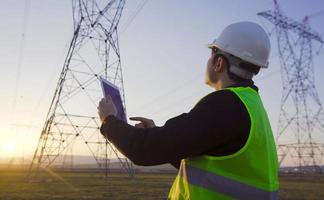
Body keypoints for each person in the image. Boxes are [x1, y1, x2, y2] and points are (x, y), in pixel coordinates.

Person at [98, 21, 279, 200]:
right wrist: (155, 132)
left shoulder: (225, 105)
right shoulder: (250, 105)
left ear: (219, 63)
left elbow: (143, 150)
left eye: (212, 53)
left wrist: (109, 120)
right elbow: (203, 163)